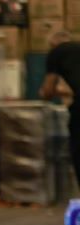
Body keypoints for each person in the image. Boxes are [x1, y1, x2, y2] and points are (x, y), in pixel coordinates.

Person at [41, 31, 80, 187]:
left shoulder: (56, 53)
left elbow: (48, 91)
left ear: (53, 44)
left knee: (78, 149)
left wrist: (46, 92)